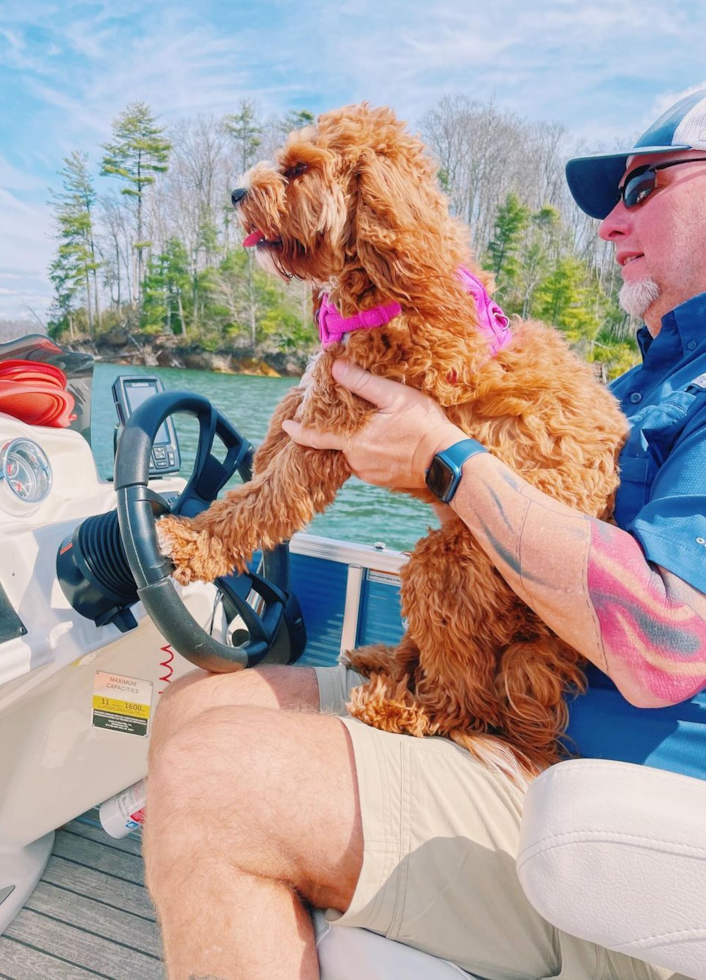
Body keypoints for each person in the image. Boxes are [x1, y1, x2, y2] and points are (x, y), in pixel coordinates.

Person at [143, 91, 706, 980]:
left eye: (642, 190)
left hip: (597, 801)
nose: (607, 225)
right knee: (198, 709)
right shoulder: (647, 379)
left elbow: (669, 645)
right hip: (502, 703)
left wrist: (445, 461)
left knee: (210, 781)